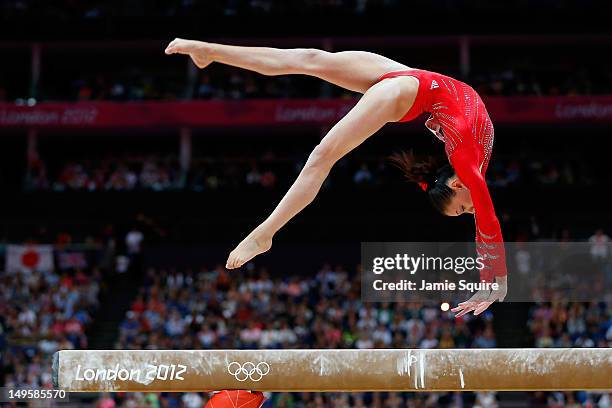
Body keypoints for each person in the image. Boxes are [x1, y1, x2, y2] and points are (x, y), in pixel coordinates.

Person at [165, 39, 507, 316]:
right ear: (457, 185)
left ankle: (210, 51)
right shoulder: (468, 165)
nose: (471, 211)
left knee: (311, 59)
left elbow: (483, 219)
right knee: (320, 156)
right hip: (405, 93)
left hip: (417, 81)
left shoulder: (470, 165)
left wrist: (488, 279)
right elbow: (488, 221)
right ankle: (265, 235)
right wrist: (499, 282)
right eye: (463, 210)